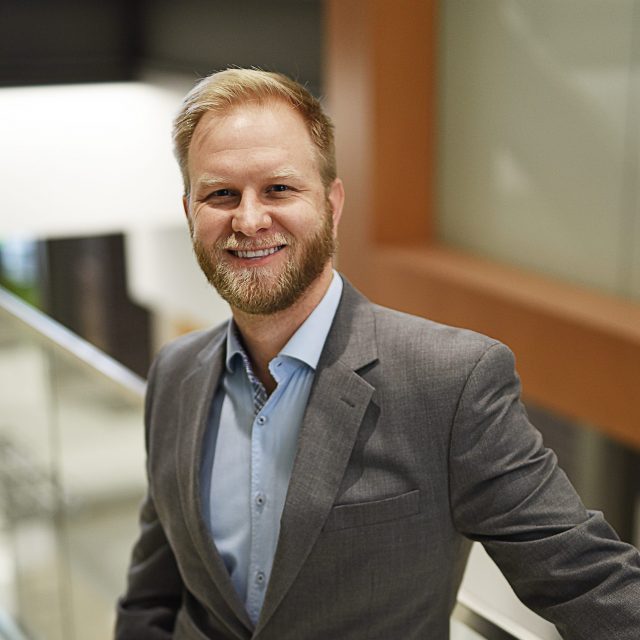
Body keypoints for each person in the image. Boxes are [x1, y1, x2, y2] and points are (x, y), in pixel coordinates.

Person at [115, 69, 640, 640]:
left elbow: (584, 577)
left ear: (333, 205)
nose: (248, 219)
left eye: (279, 189)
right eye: (221, 194)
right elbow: (152, 593)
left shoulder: (450, 382)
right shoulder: (175, 373)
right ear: (191, 212)